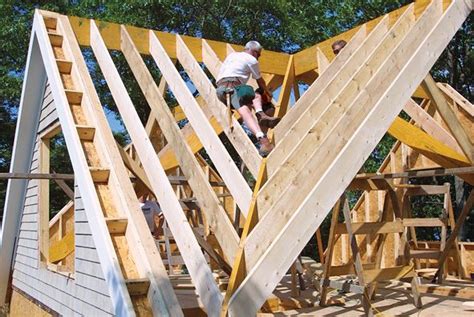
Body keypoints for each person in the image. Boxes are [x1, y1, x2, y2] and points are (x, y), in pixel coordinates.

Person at [216, 40, 279, 156]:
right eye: (259, 54)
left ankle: (264, 141)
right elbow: (260, 81)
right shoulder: (252, 60)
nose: (258, 57)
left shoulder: (232, 55)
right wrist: (268, 93)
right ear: (255, 52)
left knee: (246, 112)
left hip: (221, 91)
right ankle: (261, 114)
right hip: (234, 87)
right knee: (256, 94)